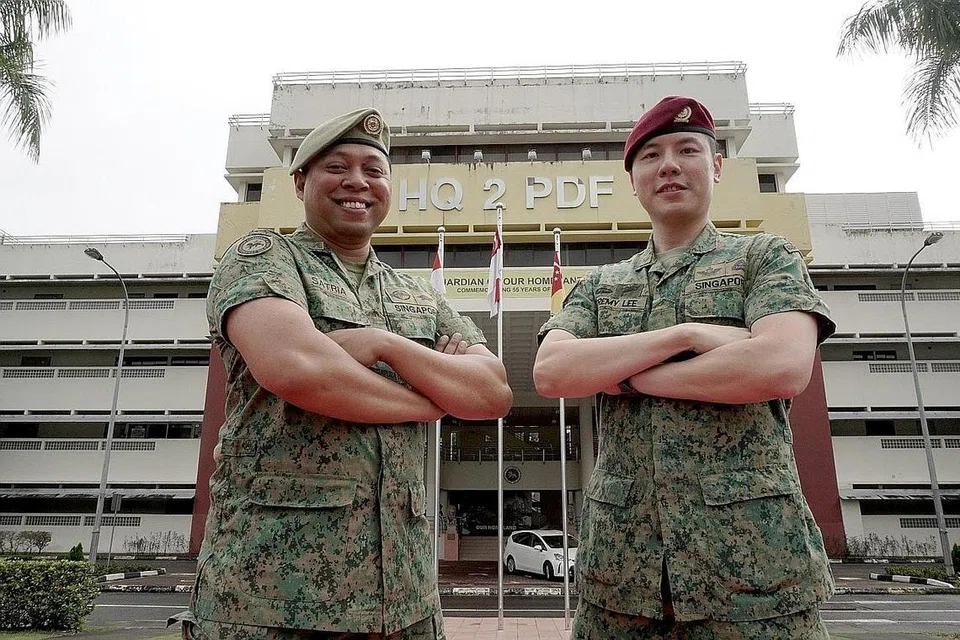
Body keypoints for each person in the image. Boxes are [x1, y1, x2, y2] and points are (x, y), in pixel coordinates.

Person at [174, 108, 513, 640]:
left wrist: (384, 343)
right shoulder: (262, 259)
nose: (358, 181)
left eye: (374, 170)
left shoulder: (416, 294)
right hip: (271, 595)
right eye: (338, 167)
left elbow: (491, 393)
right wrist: (433, 399)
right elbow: (299, 369)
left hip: (403, 596)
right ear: (301, 180)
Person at [533, 95, 836, 639]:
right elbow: (553, 371)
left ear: (716, 166)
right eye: (650, 155)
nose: (668, 164)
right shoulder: (601, 286)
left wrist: (626, 375)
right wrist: (687, 336)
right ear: (633, 180)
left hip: (755, 576)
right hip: (623, 579)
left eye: (686, 149)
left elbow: (782, 365)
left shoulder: (765, 258)